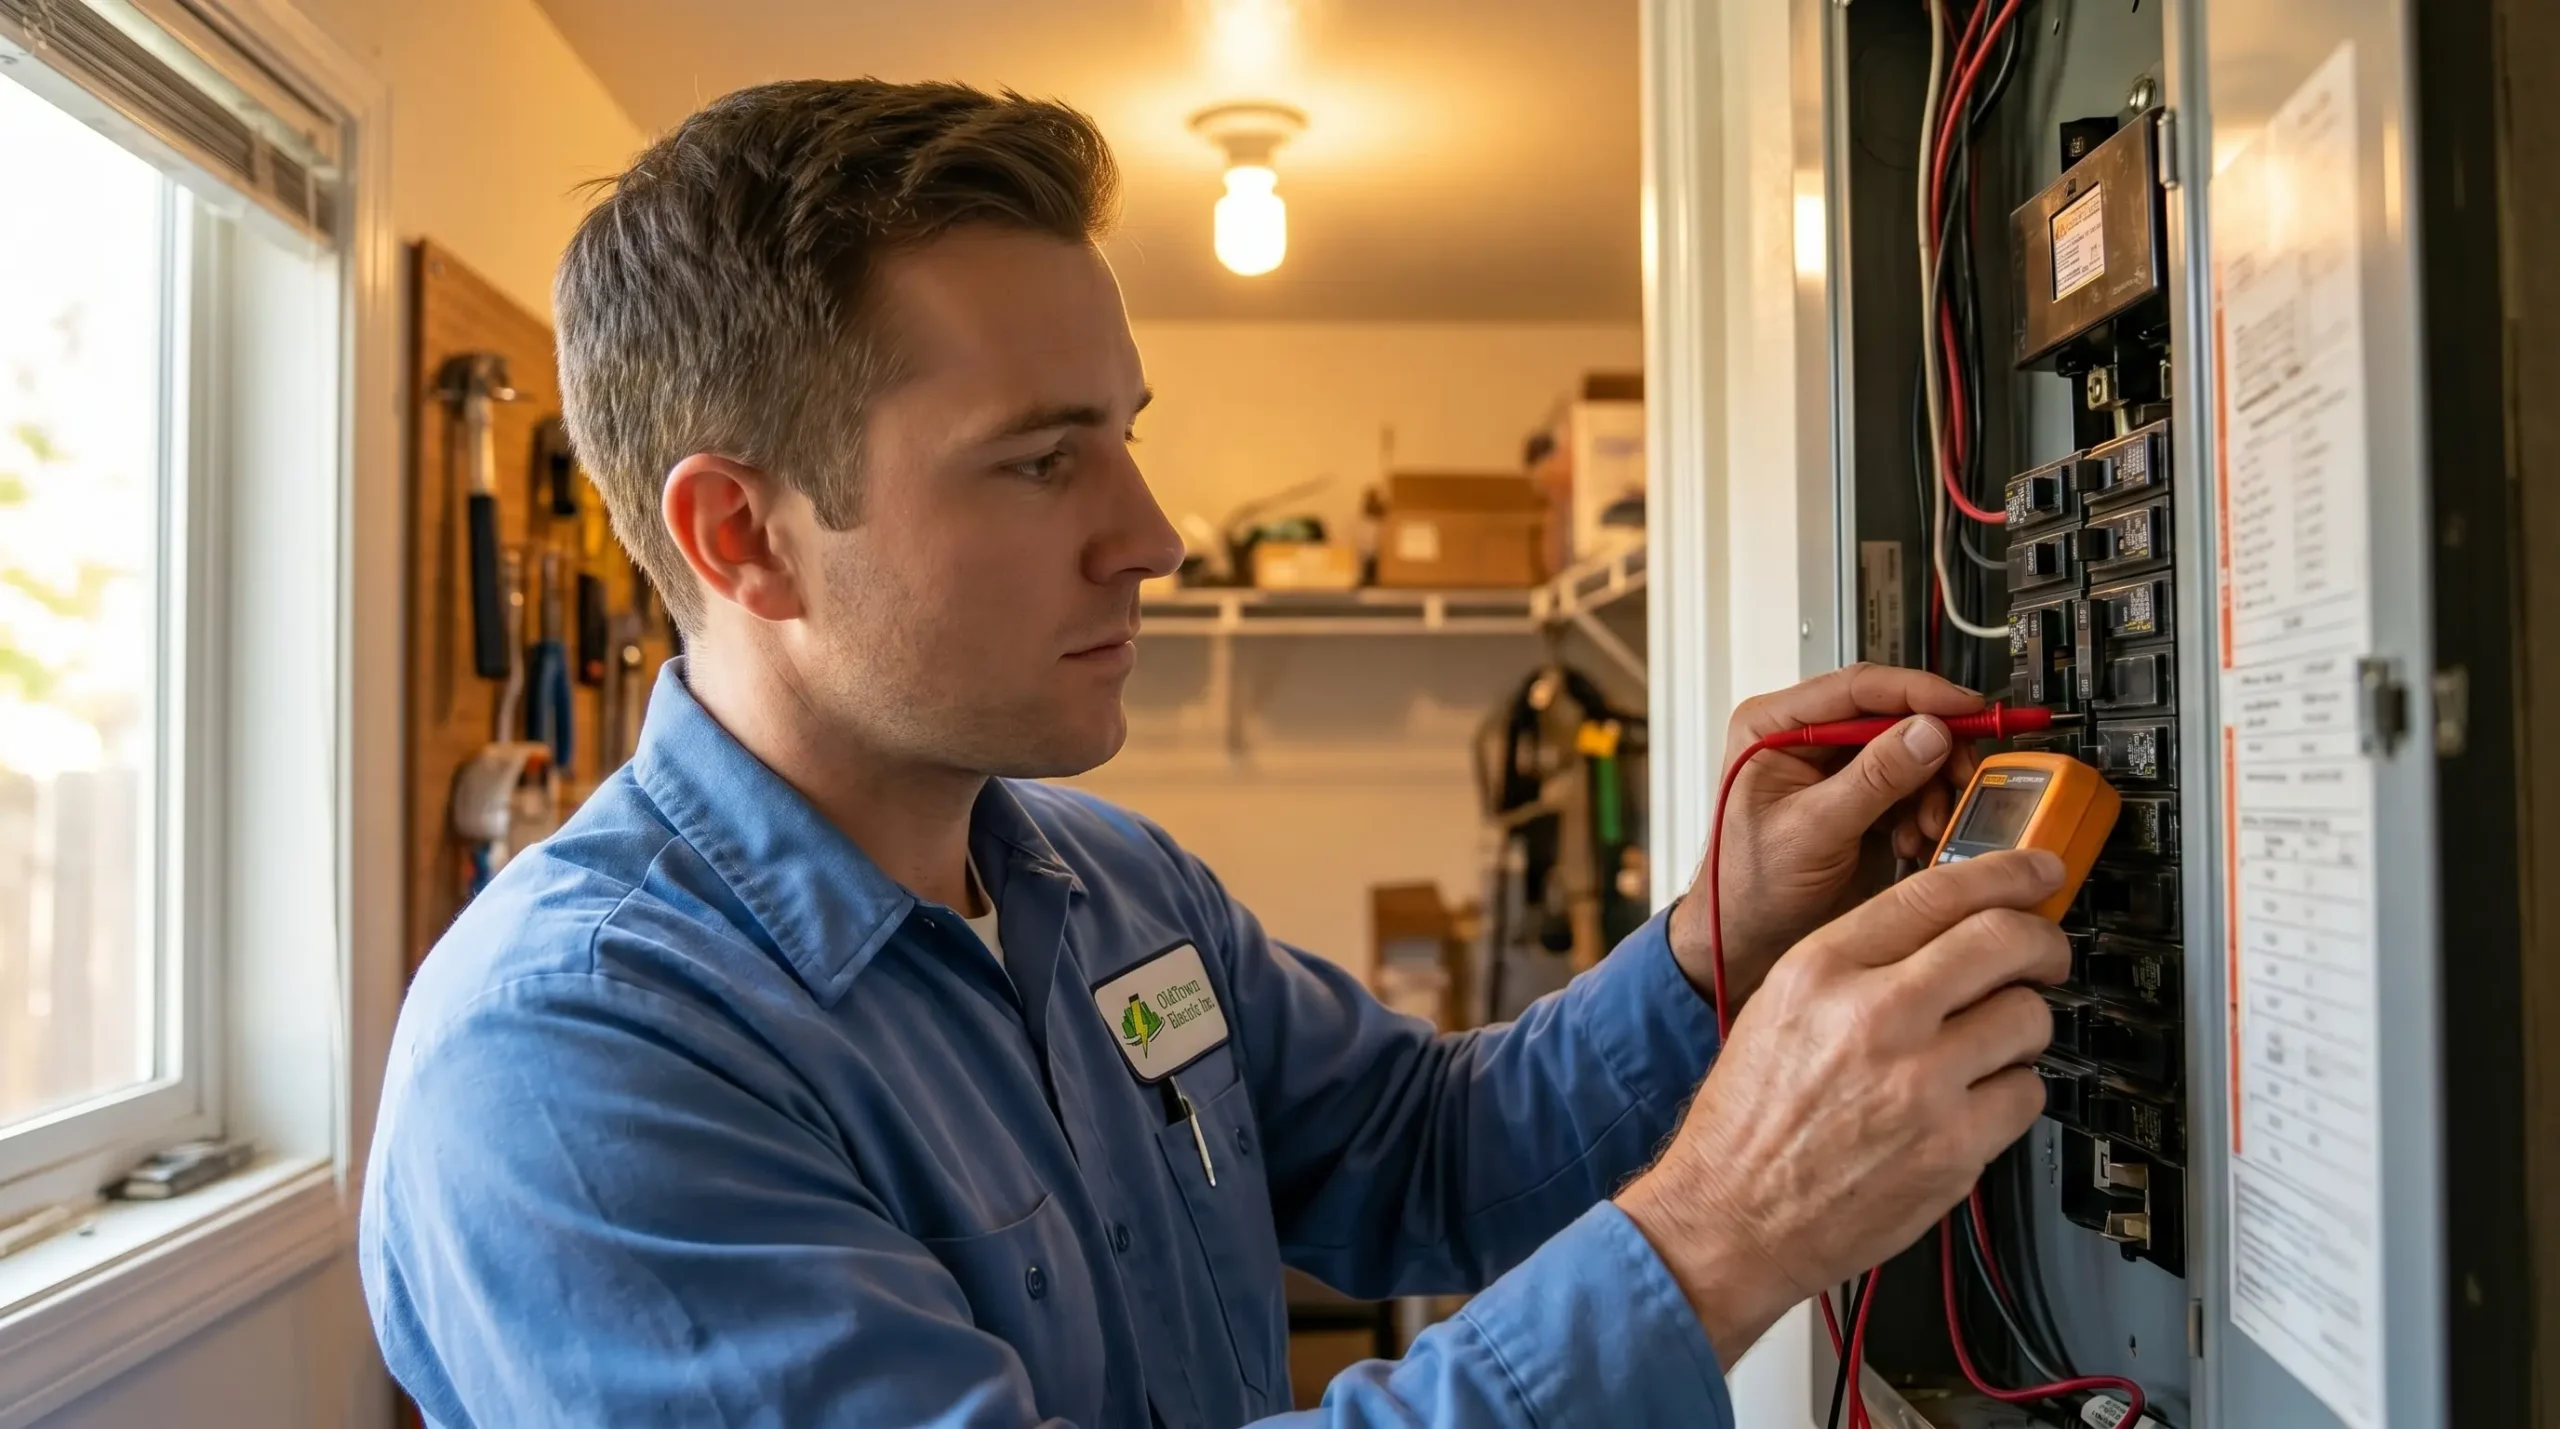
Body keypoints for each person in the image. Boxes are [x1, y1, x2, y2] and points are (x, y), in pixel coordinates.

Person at [358, 78, 2067, 1429]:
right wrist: (1723, 1233)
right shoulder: (574, 1064)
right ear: (744, 535)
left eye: (1128, 440)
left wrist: (1721, 941)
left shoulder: (1107, 888)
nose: (1156, 536)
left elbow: (1425, 1156)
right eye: (1041, 462)